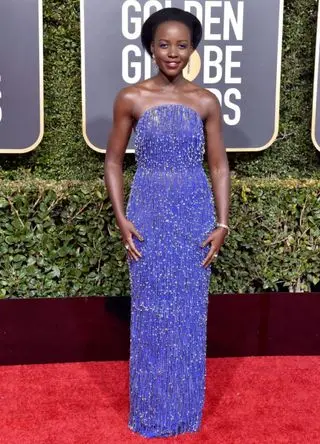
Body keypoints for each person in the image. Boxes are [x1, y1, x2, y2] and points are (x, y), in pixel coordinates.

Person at [104, 7, 230, 438]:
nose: (172, 53)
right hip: (149, 214)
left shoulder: (205, 101)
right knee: (151, 312)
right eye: (163, 44)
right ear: (150, 47)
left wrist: (222, 223)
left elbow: (219, 167)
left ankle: (183, 412)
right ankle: (151, 411)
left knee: (189, 315)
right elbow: (114, 162)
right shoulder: (131, 97)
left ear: (192, 48)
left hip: (194, 214)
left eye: (182, 45)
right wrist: (122, 218)